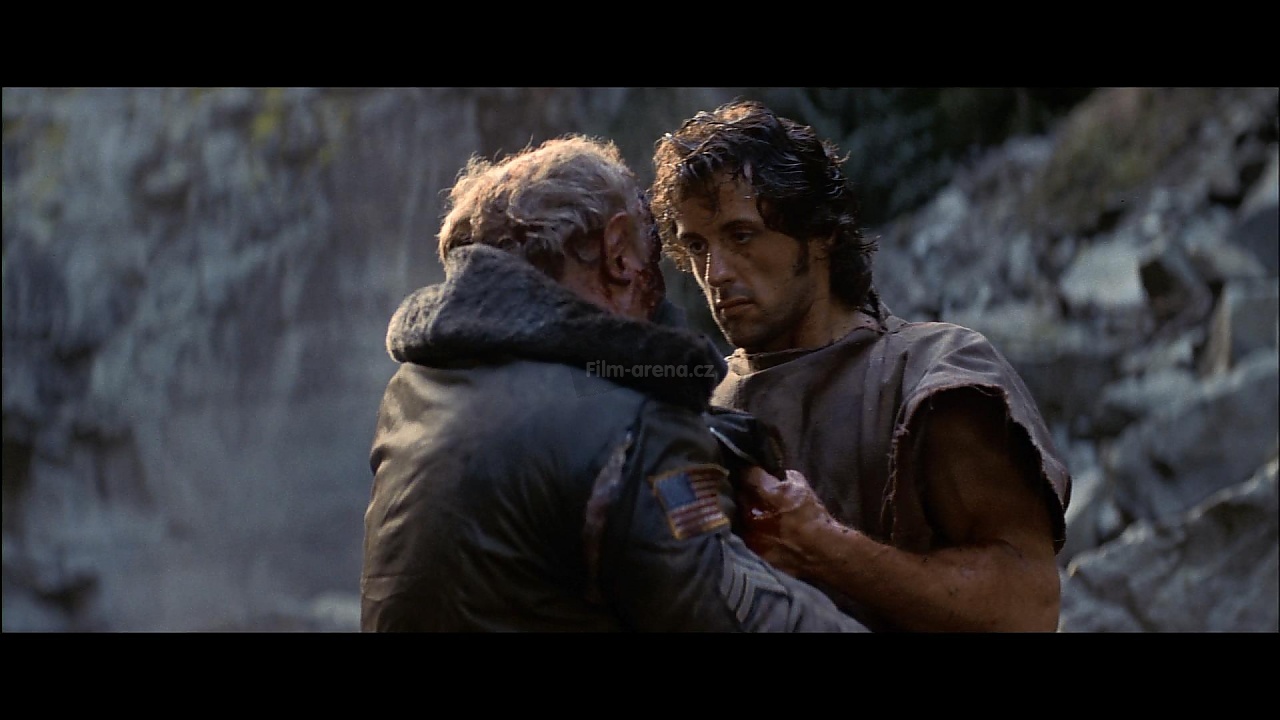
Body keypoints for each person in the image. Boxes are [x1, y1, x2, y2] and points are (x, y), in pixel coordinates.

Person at [360, 133, 868, 632]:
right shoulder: (633, 428)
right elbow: (737, 615)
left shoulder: (413, 392)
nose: (704, 276)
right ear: (619, 251)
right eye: (655, 247)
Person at [649, 99, 1072, 633]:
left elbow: (1028, 607)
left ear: (819, 234)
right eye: (696, 245)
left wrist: (825, 546)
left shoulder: (931, 376)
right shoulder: (703, 409)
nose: (715, 273)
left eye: (741, 235)